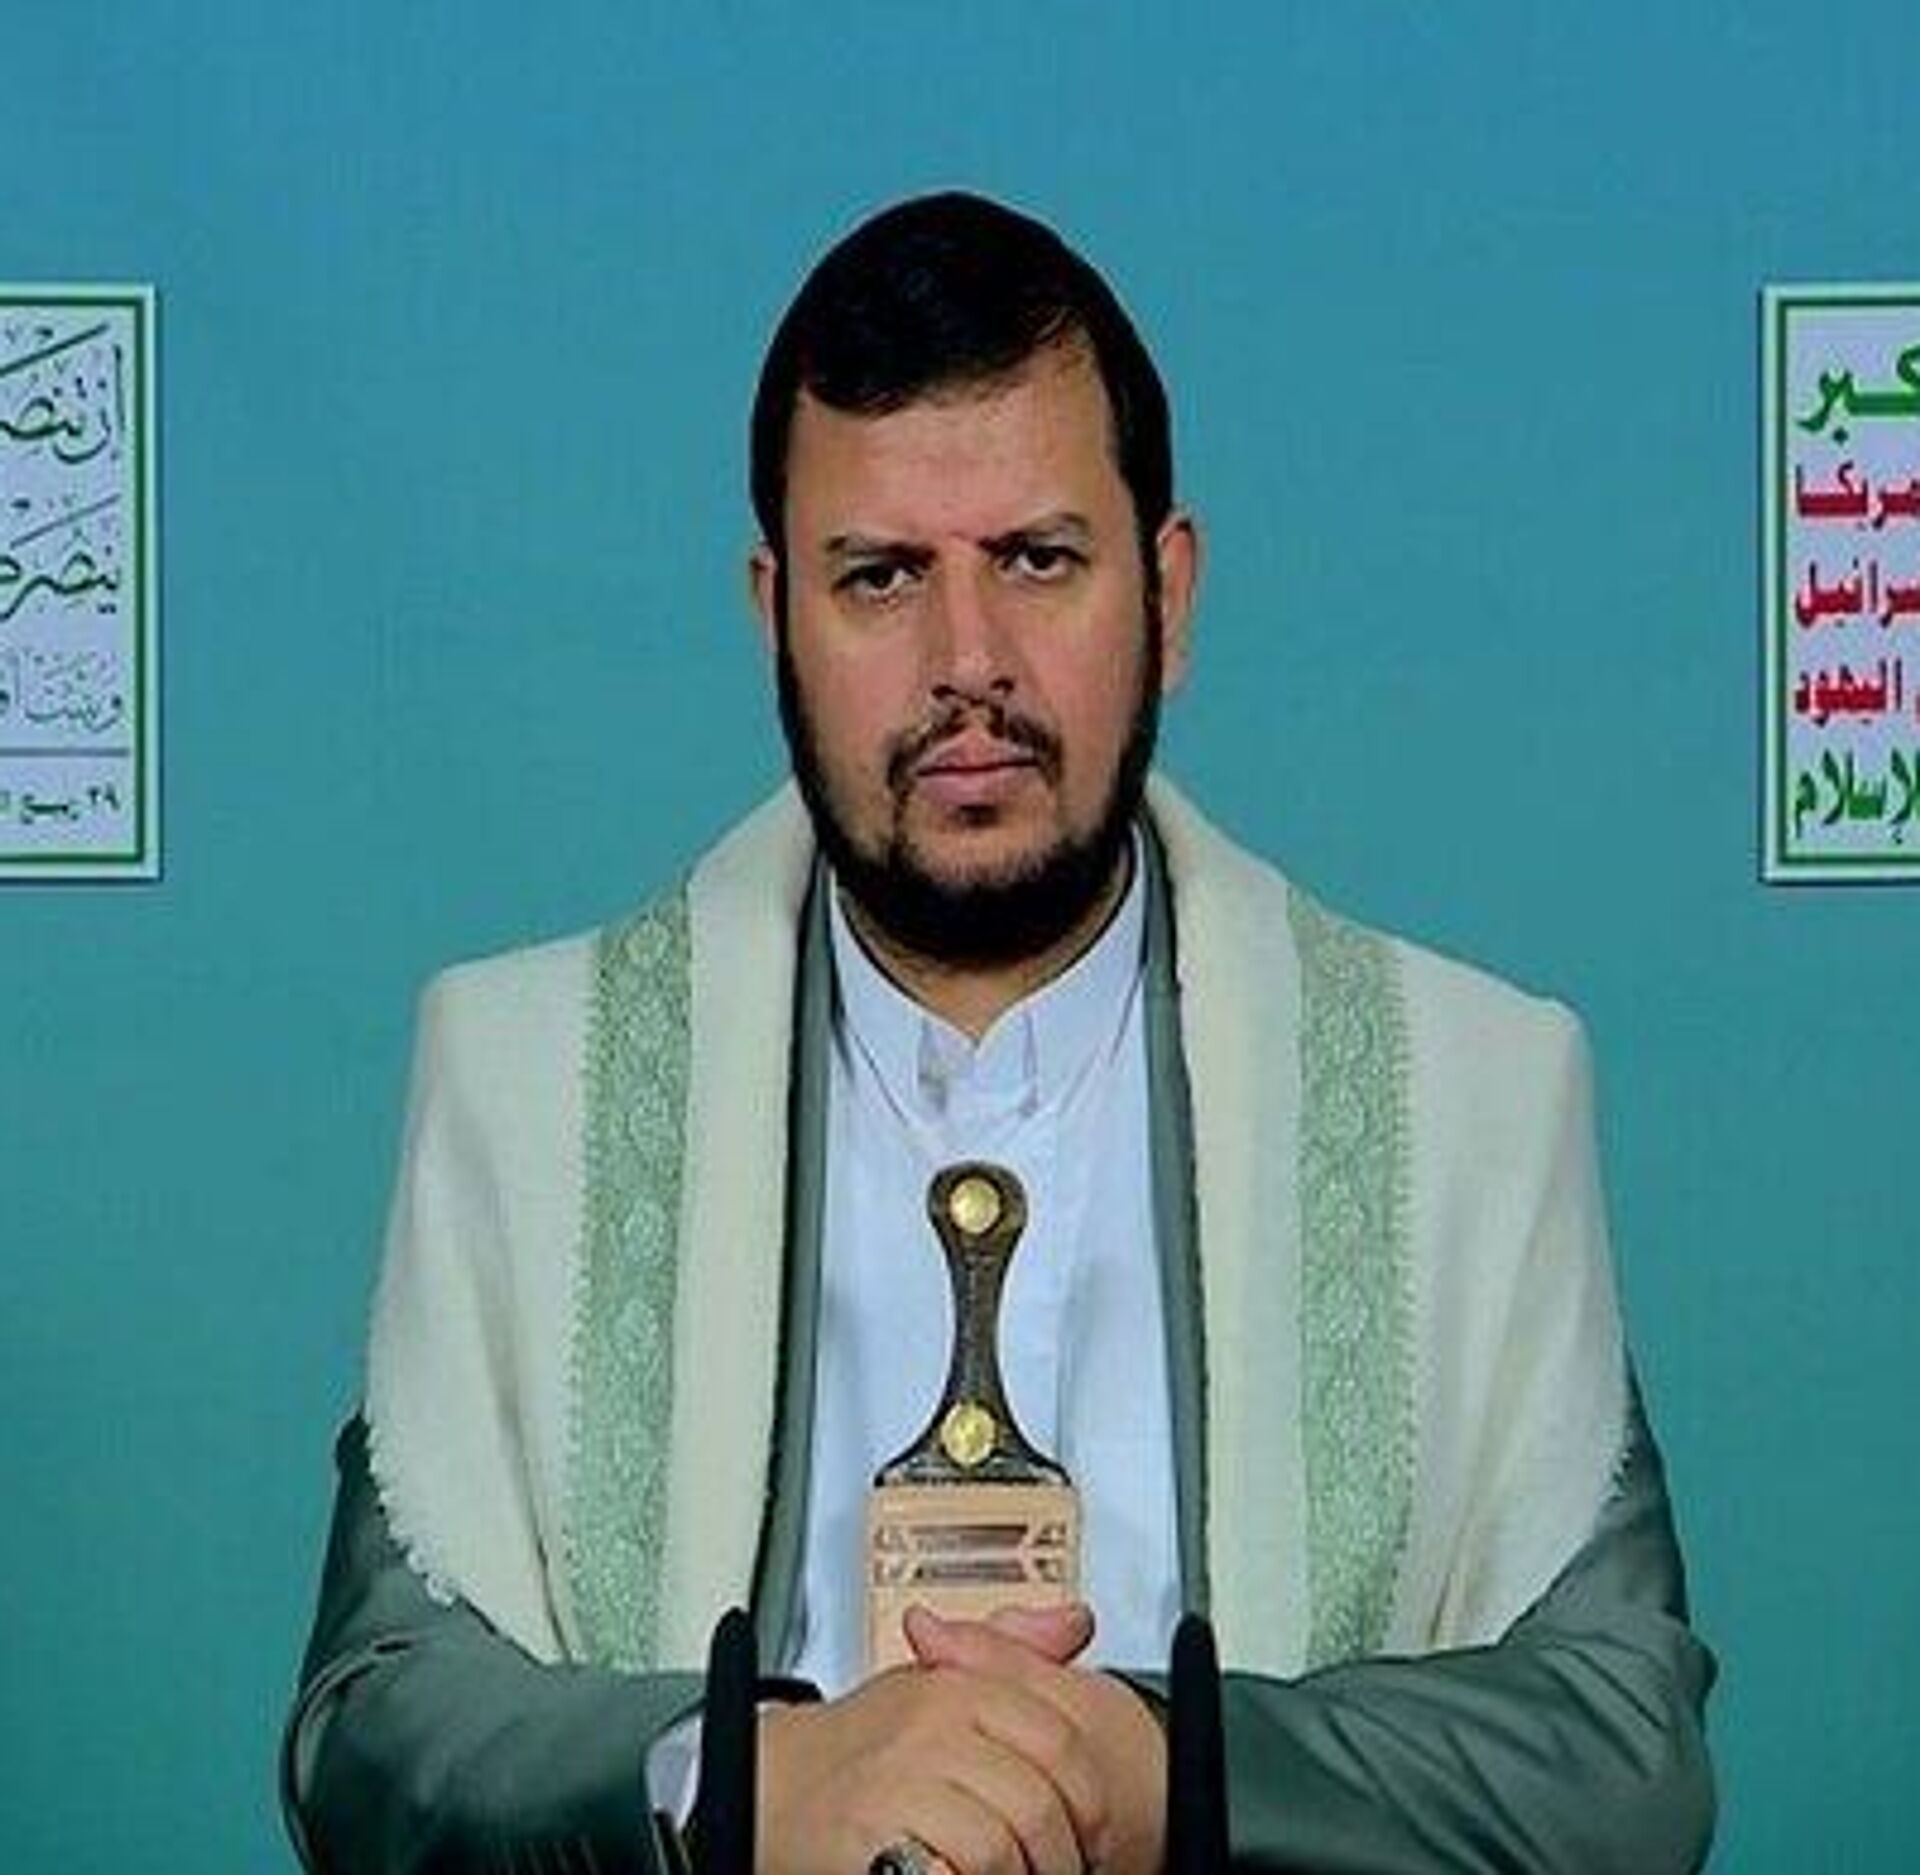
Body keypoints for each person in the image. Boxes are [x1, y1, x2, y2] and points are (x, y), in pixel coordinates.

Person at [282, 192, 1716, 1875]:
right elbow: (370, 1733)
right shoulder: (528, 1081)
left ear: (1168, 592)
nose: (968, 662)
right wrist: (744, 1781)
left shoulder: (1464, 1089)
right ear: (774, 616)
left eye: (1038, 561)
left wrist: (1163, 1770)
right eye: (882, 577)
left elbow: (1622, 1760)